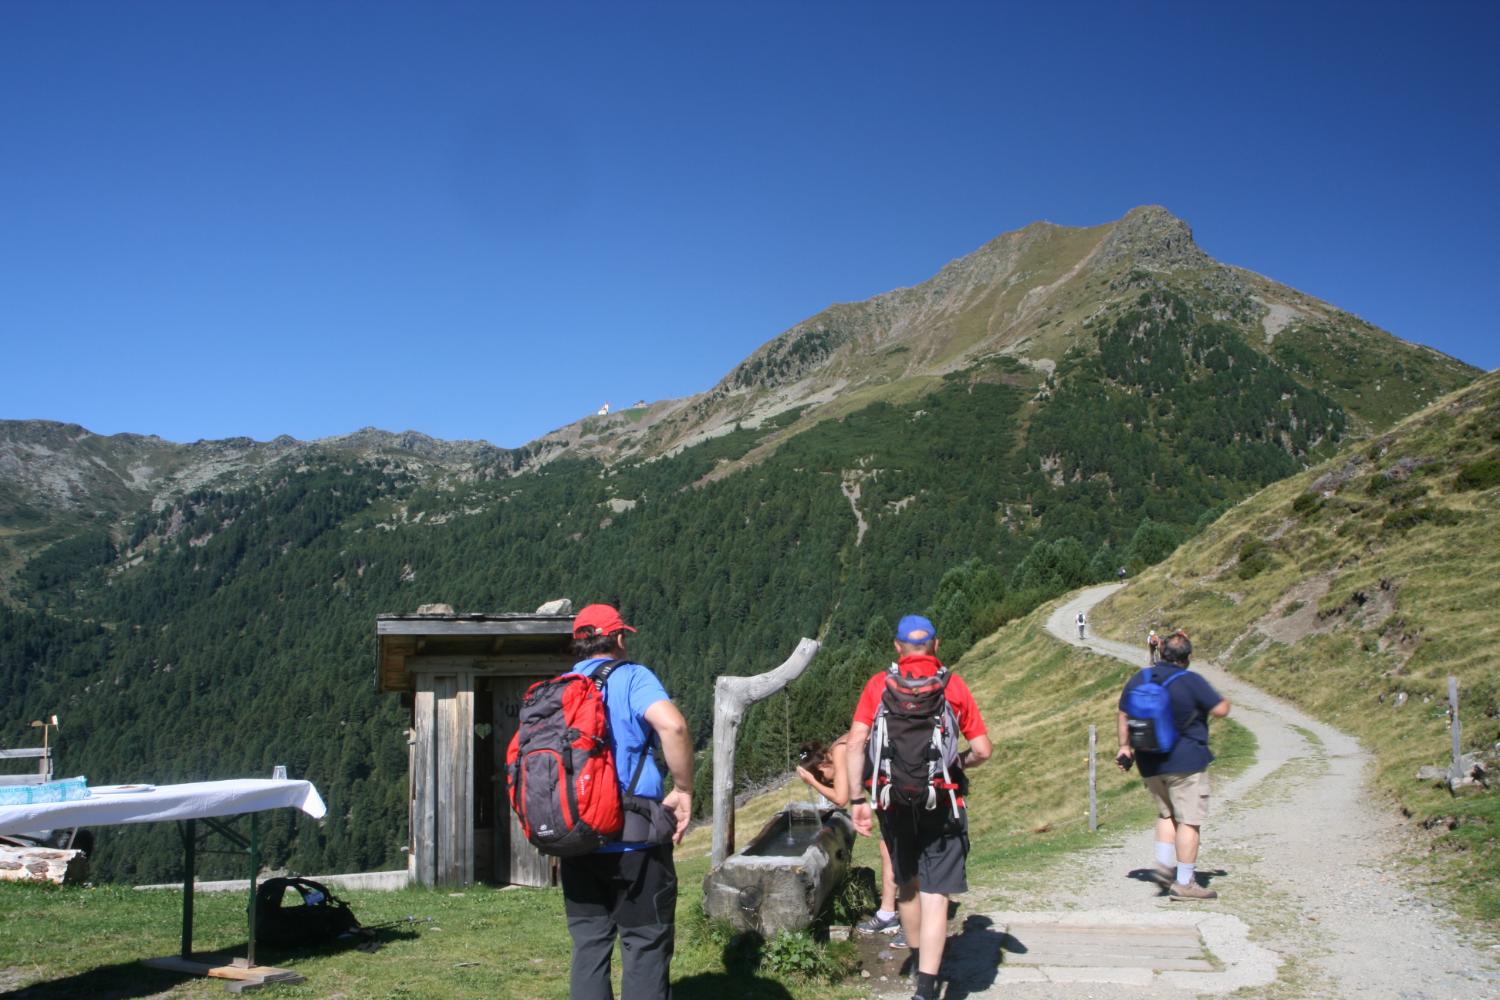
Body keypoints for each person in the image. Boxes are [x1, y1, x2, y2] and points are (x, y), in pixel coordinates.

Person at [845, 615, 992, 1000]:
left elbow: (856, 743)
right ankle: (927, 988)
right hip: (942, 802)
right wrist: (957, 762)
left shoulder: (879, 685)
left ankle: (915, 958)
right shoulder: (952, 686)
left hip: (892, 804)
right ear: (935, 645)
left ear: (897, 647)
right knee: (936, 893)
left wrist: (858, 800)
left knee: (907, 886)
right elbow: (983, 750)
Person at [560, 603, 694, 1000]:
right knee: (645, 945)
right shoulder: (633, 677)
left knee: (589, 946)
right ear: (619, 638)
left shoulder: (560, 685)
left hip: (578, 837)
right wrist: (684, 789)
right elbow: (673, 725)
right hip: (634, 837)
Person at [1115, 630, 1230, 901]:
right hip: (1186, 761)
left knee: (1166, 814)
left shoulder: (1140, 677)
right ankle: (1185, 882)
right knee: (1188, 820)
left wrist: (1124, 746)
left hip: (1149, 759)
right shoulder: (1190, 680)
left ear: (1162, 651)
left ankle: (1165, 865)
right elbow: (1221, 709)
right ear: (1187, 658)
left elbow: (1123, 711)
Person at [796, 735, 901, 938]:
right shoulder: (838, 747)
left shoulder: (839, 752)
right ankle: (888, 913)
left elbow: (840, 798)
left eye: (827, 779)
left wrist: (811, 781)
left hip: (896, 788)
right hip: (886, 791)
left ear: (821, 767)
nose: (832, 781)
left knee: (900, 852)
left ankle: (912, 920)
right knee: (887, 849)